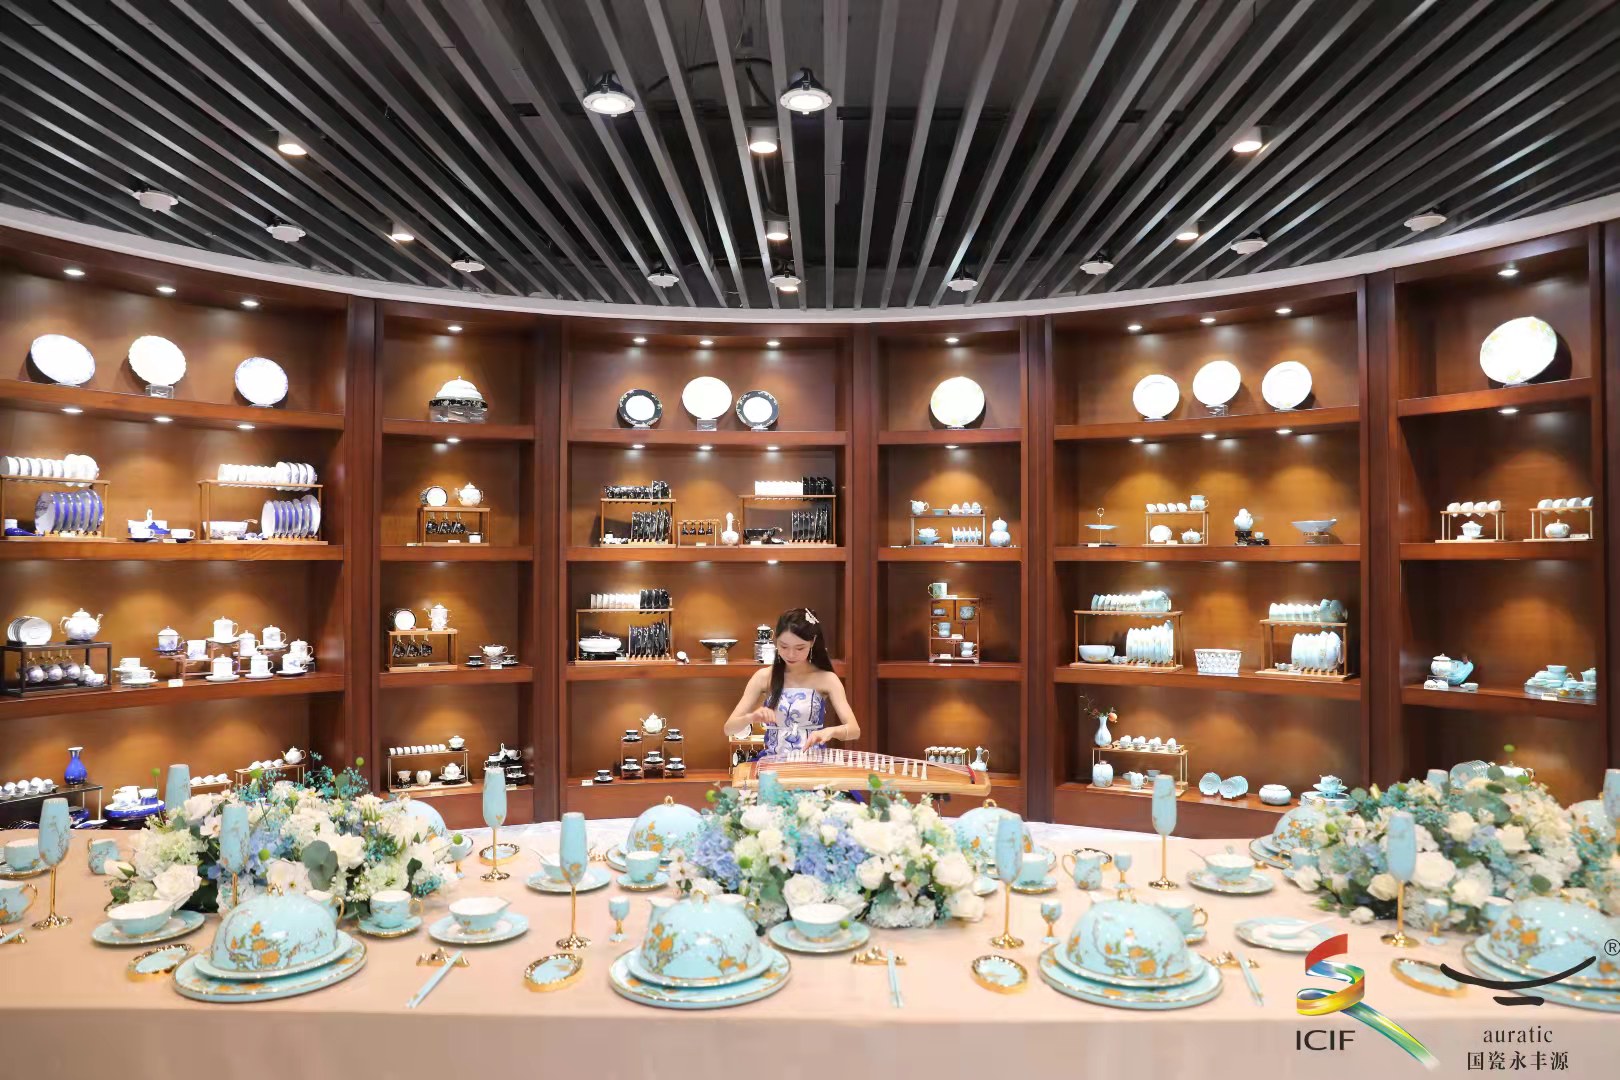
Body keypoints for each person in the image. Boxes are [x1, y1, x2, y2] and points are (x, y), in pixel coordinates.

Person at [723, 607, 859, 755]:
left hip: (812, 762)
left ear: (812, 642)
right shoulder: (763, 677)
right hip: (773, 762)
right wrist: (752, 717)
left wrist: (830, 732)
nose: (791, 654)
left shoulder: (827, 679)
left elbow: (854, 730)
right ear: (776, 641)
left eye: (799, 648)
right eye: (784, 646)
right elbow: (729, 728)